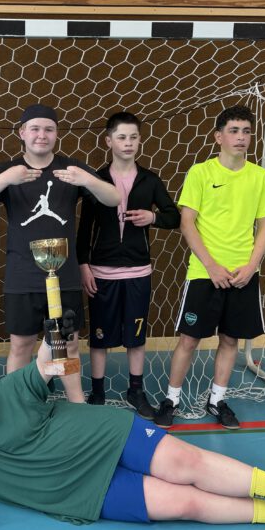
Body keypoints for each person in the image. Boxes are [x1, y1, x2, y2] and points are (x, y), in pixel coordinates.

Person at [0, 338, 265, 530]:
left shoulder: (10, 389)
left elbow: (49, 367)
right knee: (184, 503)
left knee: (187, 464)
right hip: (81, 492)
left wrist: (55, 340)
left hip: (103, 435)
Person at [0, 103, 120, 402]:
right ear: (22, 133)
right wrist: (6, 178)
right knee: (21, 345)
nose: (41, 135)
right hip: (22, 275)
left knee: (66, 344)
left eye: (48, 129)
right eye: (34, 128)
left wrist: (87, 180)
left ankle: (76, 404)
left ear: (56, 134)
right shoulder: (10, 170)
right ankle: (17, 405)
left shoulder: (70, 169)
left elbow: (113, 199)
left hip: (65, 276)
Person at [162, 104, 265, 430]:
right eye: (234, 131)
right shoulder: (200, 173)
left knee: (230, 340)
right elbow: (187, 223)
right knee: (189, 340)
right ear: (218, 137)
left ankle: (217, 399)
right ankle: (171, 399)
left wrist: (252, 265)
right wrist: (211, 265)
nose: (241, 137)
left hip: (242, 274)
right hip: (205, 272)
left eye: (246, 131)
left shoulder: (259, 176)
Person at [77, 112, 180, 415]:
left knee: (136, 336)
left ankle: (136, 390)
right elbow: (84, 229)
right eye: (121, 137)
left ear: (140, 141)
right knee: (99, 336)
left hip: (138, 272)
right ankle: (97, 392)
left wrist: (153, 217)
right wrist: (83, 265)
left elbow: (174, 216)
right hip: (102, 272)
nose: (128, 142)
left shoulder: (150, 180)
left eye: (134, 137)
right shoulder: (95, 180)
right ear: (108, 141)